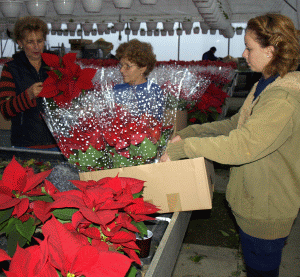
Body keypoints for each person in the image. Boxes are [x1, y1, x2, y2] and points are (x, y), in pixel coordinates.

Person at [160, 13, 300, 277]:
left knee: (262, 271)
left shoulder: (282, 99)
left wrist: (185, 149)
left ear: (270, 51)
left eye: (249, 48)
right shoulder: (267, 84)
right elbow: (237, 124)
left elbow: (242, 146)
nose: (244, 54)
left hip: (266, 208)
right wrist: (191, 133)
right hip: (256, 200)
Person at [0, 16, 58, 150]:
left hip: (56, 142)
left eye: (40, 41)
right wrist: (28, 95)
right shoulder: (11, 69)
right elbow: (5, 110)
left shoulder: (55, 66)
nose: (36, 46)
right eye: (30, 42)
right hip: (25, 144)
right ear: (20, 43)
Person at [113, 39, 164, 120]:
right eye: (121, 65)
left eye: (128, 66)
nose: (121, 70)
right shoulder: (116, 90)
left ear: (142, 69)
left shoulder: (153, 91)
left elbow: (155, 124)